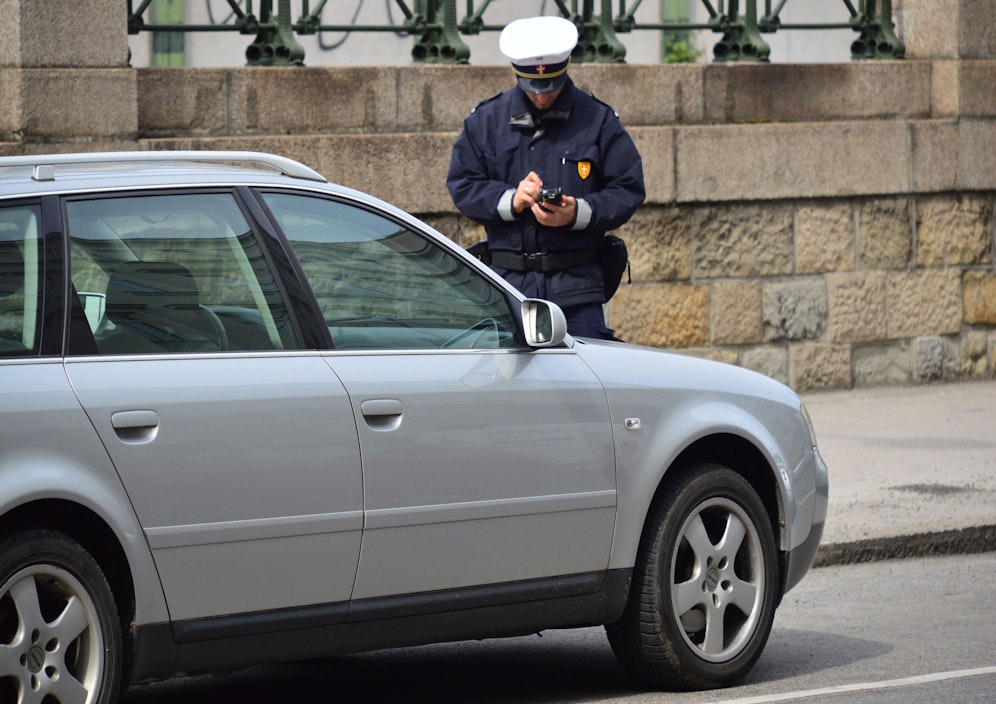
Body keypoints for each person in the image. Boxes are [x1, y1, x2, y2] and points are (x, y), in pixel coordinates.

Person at [447, 15, 645, 340]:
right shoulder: (486, 122)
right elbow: (463, 184)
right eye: (533, 87)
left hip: (577, 288)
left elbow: (627, 188)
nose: (541, 97)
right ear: (518, 74)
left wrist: (578, 212)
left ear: (565, 69)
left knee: (586, 384)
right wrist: (510, 200)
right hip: (508, 287)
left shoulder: (597, 120)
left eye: (550, 87)